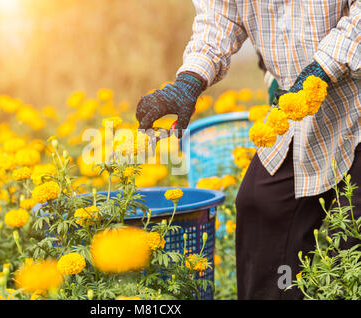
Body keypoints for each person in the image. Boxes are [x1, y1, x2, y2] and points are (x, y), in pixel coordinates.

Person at [136, 1, 360, 299]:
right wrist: (189, 79)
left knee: (348, 238)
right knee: (262, 206)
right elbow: (219, 19)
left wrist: (323, 67)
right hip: (296, 108)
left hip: (355, 101)